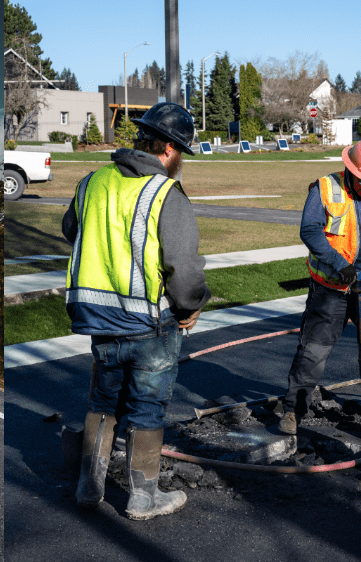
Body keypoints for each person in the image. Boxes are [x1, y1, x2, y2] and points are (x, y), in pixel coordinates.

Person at [62, 102, 211, 521]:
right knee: (146, 407)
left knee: (103, 401)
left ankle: (88, 488)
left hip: (101, 321)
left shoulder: (92, 182)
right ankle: (144, 498)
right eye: (181, 151)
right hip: (150, 324)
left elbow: (71, 231)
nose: (180, 160)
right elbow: (183, 269)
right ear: (167, 148)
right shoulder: (165, 193)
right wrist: (190, 307)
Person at [279, 138, 361, 435]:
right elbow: (310, 231)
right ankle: (293, 410)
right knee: (314, 349)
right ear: (351, 170)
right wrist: (341, 265)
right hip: (333, 287)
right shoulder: (325, 188)